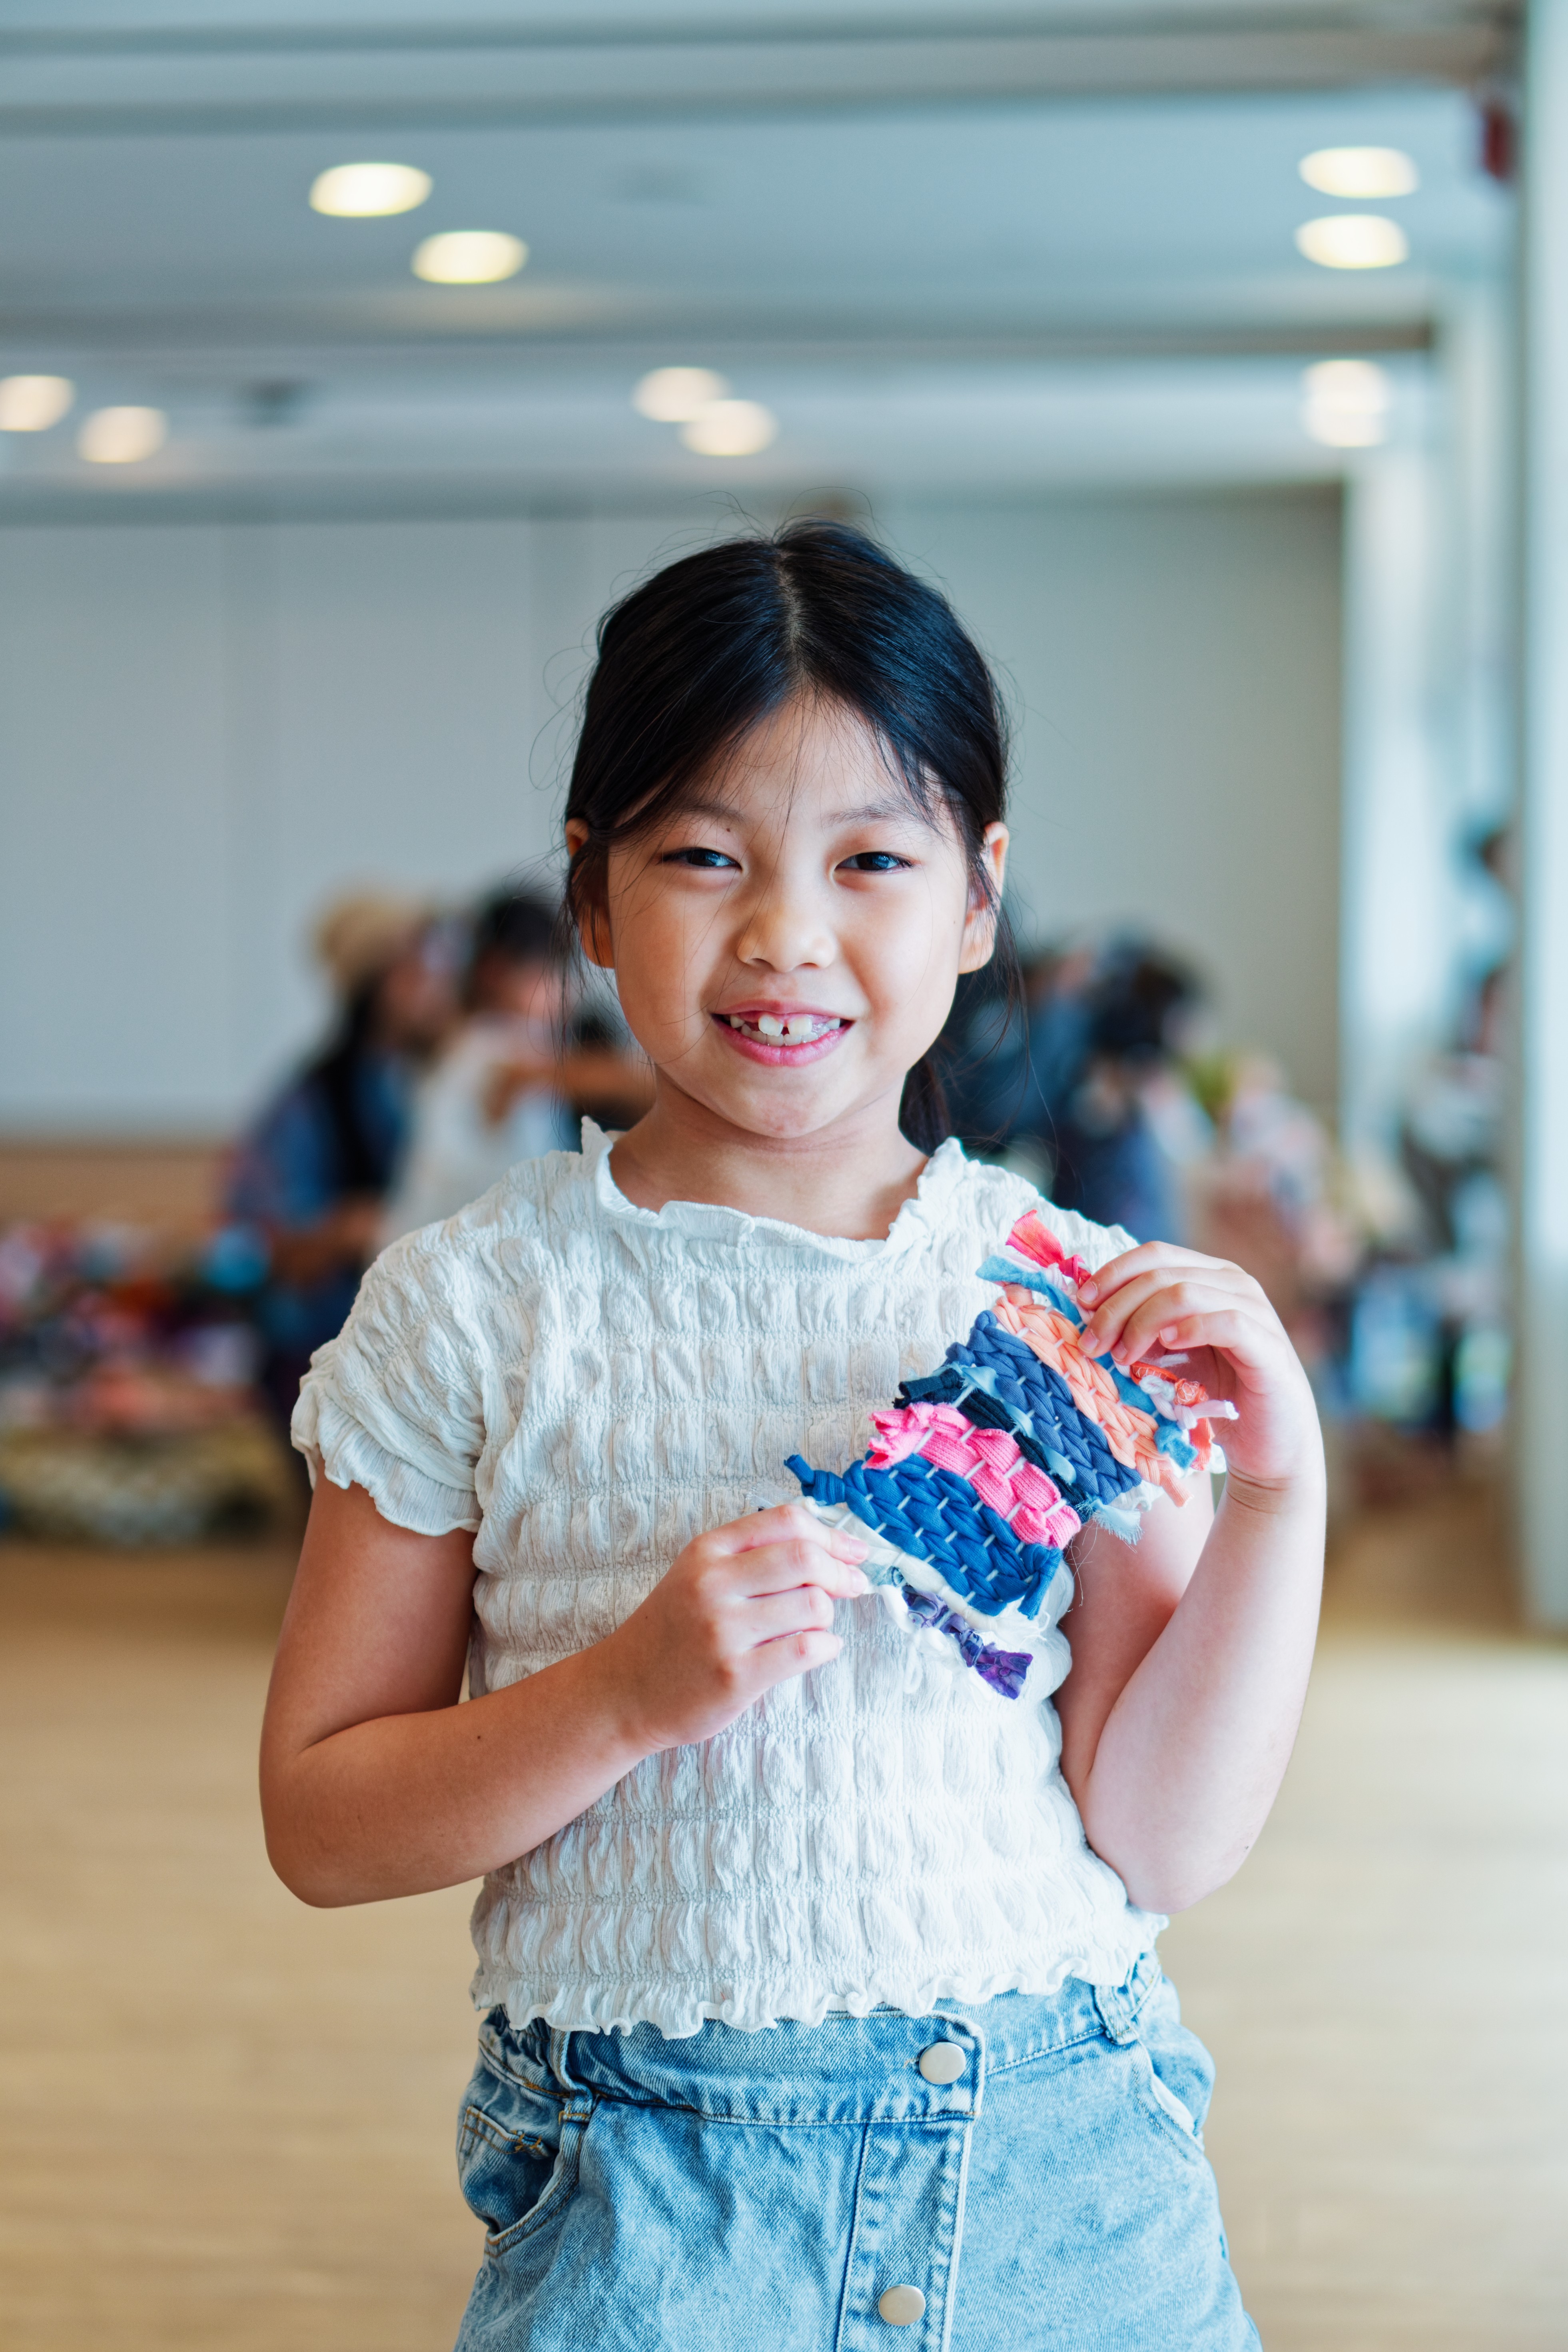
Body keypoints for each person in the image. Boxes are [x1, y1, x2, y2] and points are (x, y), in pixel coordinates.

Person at [260, 525, 1324, 2349]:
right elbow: (322, 1816)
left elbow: (1158, 1836)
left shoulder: (1060, 1291)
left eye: (870, 860)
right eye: (701, 856)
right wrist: (618, 1697)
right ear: (591, 898)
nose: (784, 935)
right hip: (649, 2209)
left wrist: (1278, 1496)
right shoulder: (471, 1307)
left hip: (1058, 2167)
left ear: (977, 897)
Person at [225, 892, 458, 1435]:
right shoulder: (308, 1103)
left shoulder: (443, 1081)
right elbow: (241, 1250)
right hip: (327, 1362)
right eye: (419, 969)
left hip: (424, 1357)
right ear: (374, 984)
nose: (438, 985)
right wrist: (347, 1229)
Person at [382, 887, 655, 1244]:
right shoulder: (490, 1045)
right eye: (549, 971)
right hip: (439, 1255)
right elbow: (595, 1079)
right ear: (495, 972)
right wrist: (683, 1086)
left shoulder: (479, 1043)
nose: (566, 989)